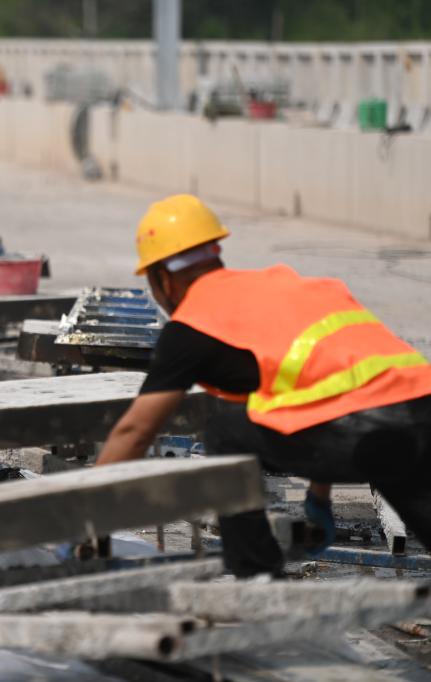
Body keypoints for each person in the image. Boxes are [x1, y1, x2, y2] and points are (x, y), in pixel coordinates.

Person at [96, 194, 431, 577]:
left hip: (366, 432)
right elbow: (332, 390)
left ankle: (256, 572)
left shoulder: (194, 324)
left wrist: (82, 517)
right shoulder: (285, 287)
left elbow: (135, 431)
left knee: (224, 430)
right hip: (420, 414)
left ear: (162, 278)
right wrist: (318, 500)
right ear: (214, 253)